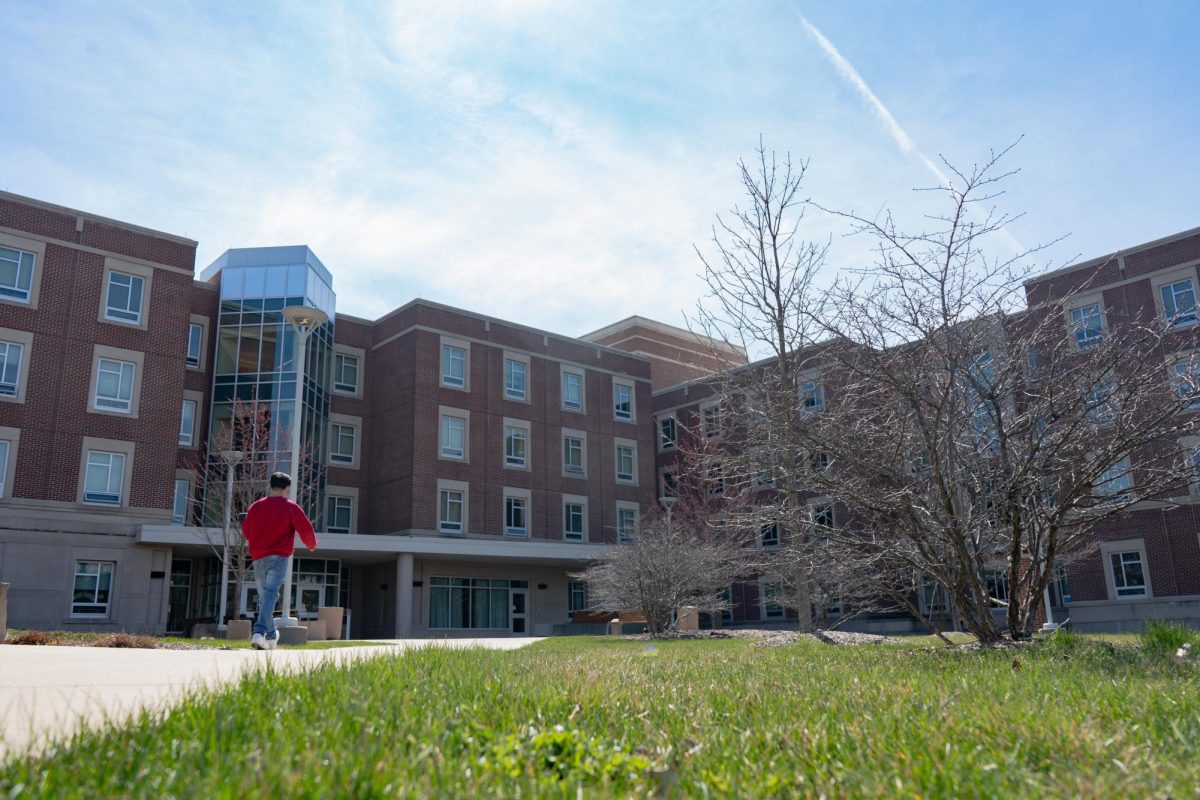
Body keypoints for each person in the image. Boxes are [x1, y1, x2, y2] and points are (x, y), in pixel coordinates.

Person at [242, 471, 318, 650]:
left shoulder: (255, 507)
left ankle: (270, 635)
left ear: (270, 485)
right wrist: (311, 544)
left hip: (259, 557)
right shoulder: (290, 506)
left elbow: (247, 531)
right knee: (270, 595)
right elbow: (305, 528)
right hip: (279, 557)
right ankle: (259, 632)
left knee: (265, 597)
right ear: (287, 488)